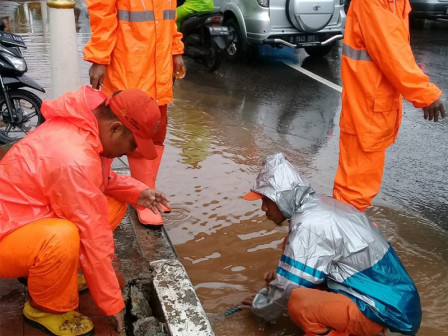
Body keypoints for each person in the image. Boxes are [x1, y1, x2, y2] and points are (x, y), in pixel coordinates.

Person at [0, 86, 170, 336]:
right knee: (63, 236)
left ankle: (57, 274)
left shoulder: (86, 128)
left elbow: (100, 180)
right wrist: (112, 304)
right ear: (115, 128)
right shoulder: (74, 157)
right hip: (6, 236)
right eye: (132, 144)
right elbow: (93, 234)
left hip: (24, 219)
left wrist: (137, 192)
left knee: (112, 206)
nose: (129, 152)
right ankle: (44, 308)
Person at [241, 153, 421, 336]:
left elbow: (290, 288)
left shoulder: (309, 224)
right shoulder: (320, 207)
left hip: (389, 316)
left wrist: (261, 308)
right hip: (395, 305)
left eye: (266, 200)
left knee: (298, 303)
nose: (263, 208)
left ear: (281, 198)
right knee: (290, 253)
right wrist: (281, 279)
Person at [333, 0, 446, 212]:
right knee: (354, 188)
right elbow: (392, 52)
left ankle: (351, 227)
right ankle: (345, 234)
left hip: (374, 105)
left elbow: (396, 48)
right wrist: (425, 93)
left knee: (361, 184)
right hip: (365, 107)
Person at [84, 0, 186, 226]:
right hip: (129, 68)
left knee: (156, 134)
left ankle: (146, 192)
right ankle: (140, 199)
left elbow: (169, 18)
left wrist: (175, 51)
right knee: (128, 135)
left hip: (159, 71)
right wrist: (99, 59)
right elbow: (102, 15)